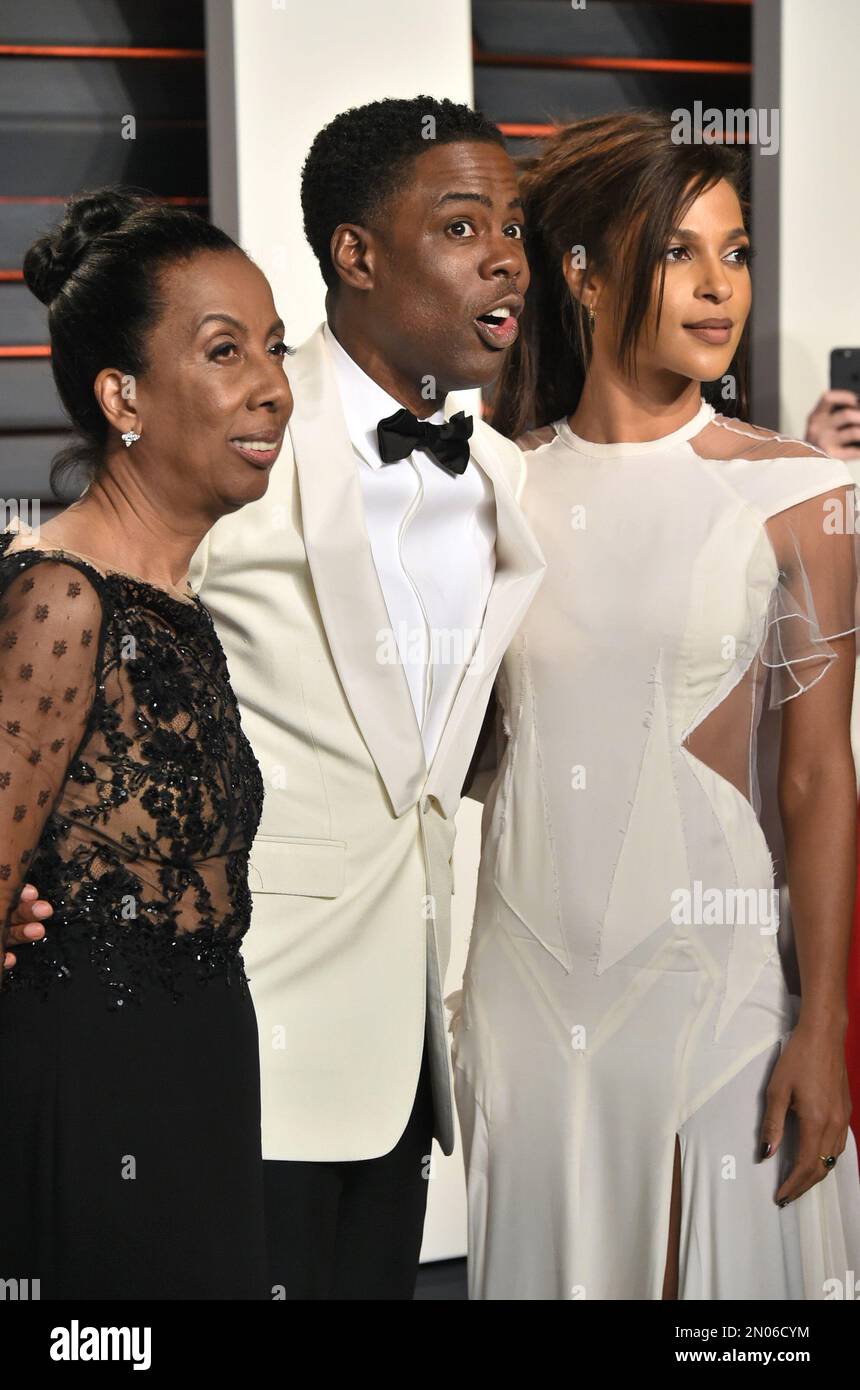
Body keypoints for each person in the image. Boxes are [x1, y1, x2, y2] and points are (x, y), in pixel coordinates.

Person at [6, 97, 547, 1299]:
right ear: (356, 255)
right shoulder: (224, 447)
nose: (504, 254)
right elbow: (73, 620)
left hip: (404, 1049)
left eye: (513, 223)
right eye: (463, 225)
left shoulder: (504, 478)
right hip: (225, 1045)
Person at [450, 110, 860, 1300]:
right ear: (579, 275)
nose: (716, 285)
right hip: (523, 987)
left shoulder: (798, 492)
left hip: (714, 980)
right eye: (677, 251)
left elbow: (815, 775)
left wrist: (822, 1024)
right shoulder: (496, 486)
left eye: (733, 252)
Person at [0, 187, 293, 1298]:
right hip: (88, 1110)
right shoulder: (64, 602)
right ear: (123, 395)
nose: (272, 385)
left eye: (273, 348)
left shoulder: (170, 601)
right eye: (225, 352)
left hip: (198, 1084)